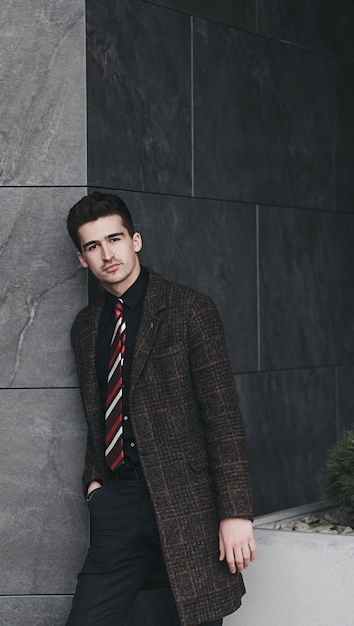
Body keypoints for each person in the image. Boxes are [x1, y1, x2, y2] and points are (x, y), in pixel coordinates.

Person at [65, 192, 256, 626]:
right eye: (93, 246)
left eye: (114, 239)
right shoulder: (86, 327)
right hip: (119, 502)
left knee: (196, 619)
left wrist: (235, 512)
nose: (107, 254)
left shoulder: (190, 310)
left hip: (189, 502)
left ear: (136, 240)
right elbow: (96, 416)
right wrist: (96, 486)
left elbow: (223, 419)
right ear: (82, 259)